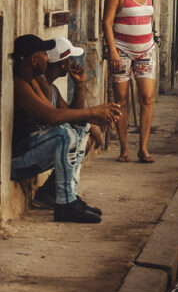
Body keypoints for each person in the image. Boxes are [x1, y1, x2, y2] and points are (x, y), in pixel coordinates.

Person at [10, 34, 119, 223]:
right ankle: (66, 203)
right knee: (63, 135)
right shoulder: (20, 85)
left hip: (31, 155)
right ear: (34, 60)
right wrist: (93, 112)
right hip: (18, 162)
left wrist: (89, 107)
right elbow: (53, 117)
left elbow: (69, 117)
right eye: (44, 53)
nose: (46, 57)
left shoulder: (34, 81)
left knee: (76, 130)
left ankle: (68, 197)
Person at [33, 37, 104, 209]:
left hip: (42, 148)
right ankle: (64, 197)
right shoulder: (41, 85)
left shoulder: (52, 88)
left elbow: (74, 116)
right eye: (69, 59)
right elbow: (57, 117)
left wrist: (79, 85)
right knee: (69, 136)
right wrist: (92, 115)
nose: (72, 62)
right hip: (31, 151)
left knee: (80, 132)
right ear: (63, 64)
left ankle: (53, 192)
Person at [102, 0, 157, 163]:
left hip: (146, 51)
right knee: (121, 100)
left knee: (147, 98)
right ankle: (124, 149)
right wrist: (113, 51)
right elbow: (107, 22)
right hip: (122, 51)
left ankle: (143, 149)